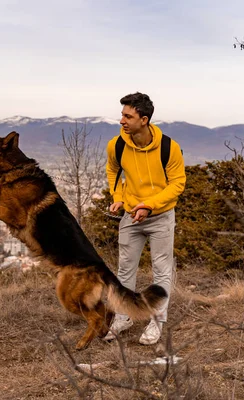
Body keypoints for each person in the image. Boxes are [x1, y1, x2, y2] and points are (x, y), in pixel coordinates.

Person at [104, 92, 186, 345]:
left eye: (128, 116)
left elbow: (178, 184)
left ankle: (157, 320)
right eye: (122, 115)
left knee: (161, 270)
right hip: (130, 215)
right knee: (124, 269)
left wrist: (149, 206)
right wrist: (117, 196)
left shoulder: (168, 147)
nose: (122, 121)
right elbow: (113, 171)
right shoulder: (116, 145)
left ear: (144, 119)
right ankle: (124, 316)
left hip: (160, 216)